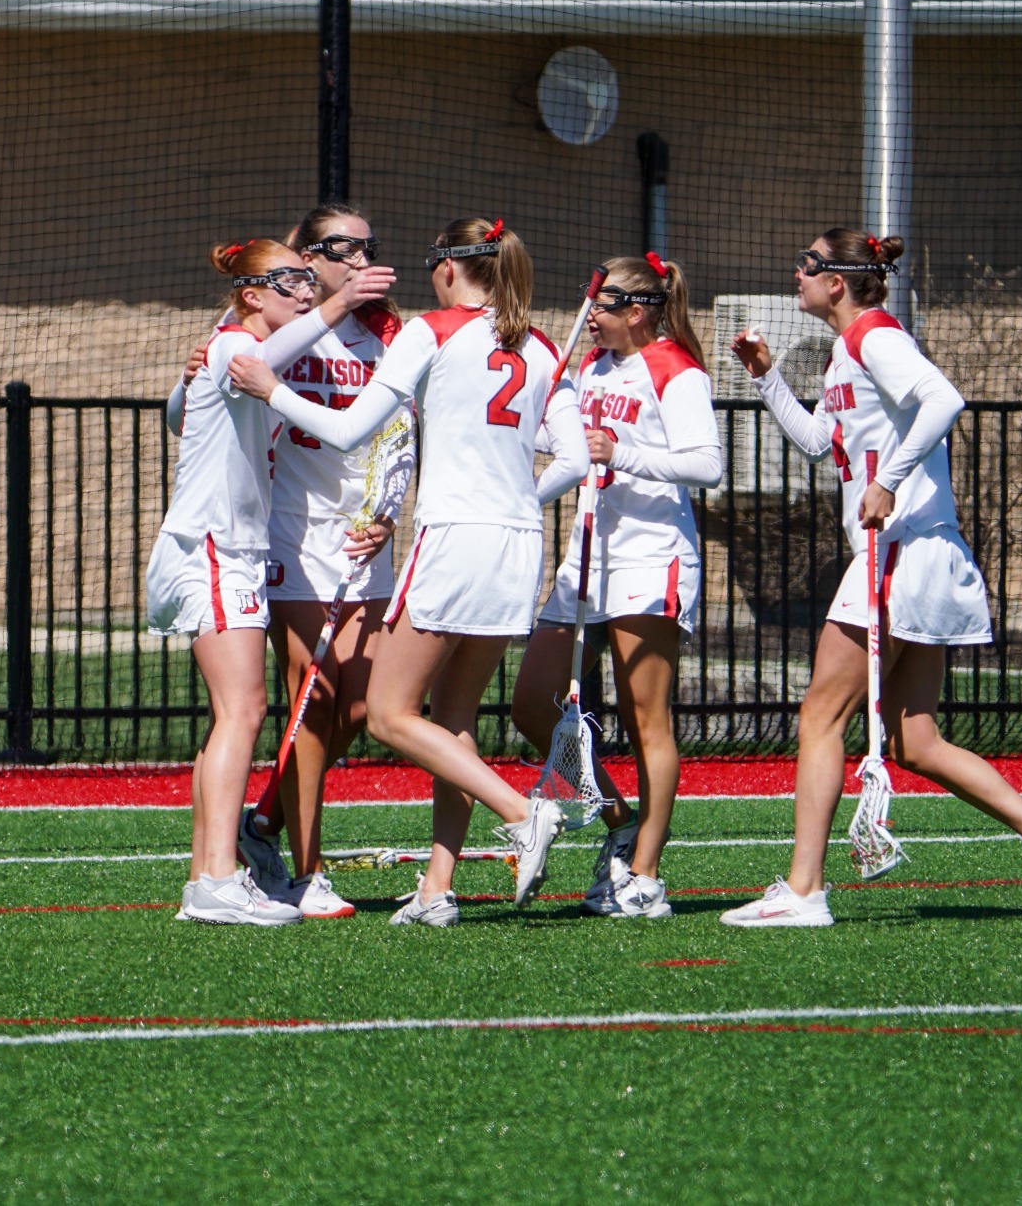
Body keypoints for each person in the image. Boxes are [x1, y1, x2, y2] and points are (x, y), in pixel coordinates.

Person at [721, 229, 1022, 927]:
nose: (797, 273)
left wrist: (891, 483)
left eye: (808, 264)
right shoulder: (847, 348)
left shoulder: (873, 336)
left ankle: (804, 890)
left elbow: (944, 399)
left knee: (819, 714)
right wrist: (766, 377)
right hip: (915, 553)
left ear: (836, 280)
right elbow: (818, 443)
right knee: (915, 741)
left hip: (900, 553)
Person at [231, 216, 587, 926]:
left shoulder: (431, 329)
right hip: (519, 544)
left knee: (392, 714)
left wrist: (271, 389)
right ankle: (436, 889)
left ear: (451, 269)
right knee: (453, 721)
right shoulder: (544, 345)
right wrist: (514, 495)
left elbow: (348, 428)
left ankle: (523, 810)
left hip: (453, 537)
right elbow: (574, 456)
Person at [166, 208, 405, 920]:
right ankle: (302, 872)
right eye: (343, 249)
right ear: (305, 260)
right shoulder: (278, 331)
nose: (361, 259)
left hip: (363, 541)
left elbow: (399, 436)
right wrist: (194, 372)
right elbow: (190, 412)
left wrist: (388, 512)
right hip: (290, 539)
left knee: (363, 705)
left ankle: (261, 822)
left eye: (370, 246)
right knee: (309, 698)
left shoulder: (387, 338)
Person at [511, 252, 721, 920]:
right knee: (531, 704)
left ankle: (646, 871)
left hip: (649, 558)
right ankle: (619, 817)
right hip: (589, 559)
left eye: (601, 303)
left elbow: (707, 463)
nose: (589, 314)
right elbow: (569, 442)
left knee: (644, 719)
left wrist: (620, 451)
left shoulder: (675, 369)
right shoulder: (591, 367)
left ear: (638, 310)